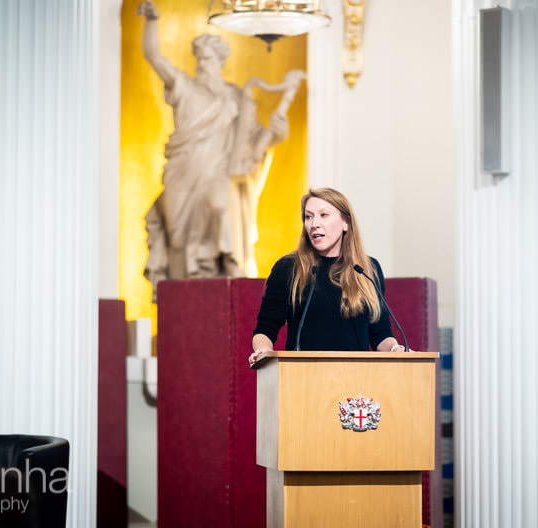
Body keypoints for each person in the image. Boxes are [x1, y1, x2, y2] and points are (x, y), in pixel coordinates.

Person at [137, 1, 302, 301]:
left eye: (209, 58)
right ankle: (184, 302)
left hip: (219, 173)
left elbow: (252, 144)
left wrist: (276, 135)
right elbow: (153, 56)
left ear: (220, 61)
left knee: (222, 208)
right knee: (177, 239)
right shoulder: (184, 87)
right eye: (199, 58)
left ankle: (226, 292)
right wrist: (152, 21)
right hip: (183, 170)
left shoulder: (236, 97)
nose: (202, 64)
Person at [249, 188, 404, 367]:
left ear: (345, 222)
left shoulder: (367, 269)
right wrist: (263, 351)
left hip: (357, 376)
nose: (314, 223)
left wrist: (395, 349)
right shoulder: (288, 267)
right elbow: (265, 329)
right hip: (301, 375)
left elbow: (381, 334)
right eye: (308, 217)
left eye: (323, 215)